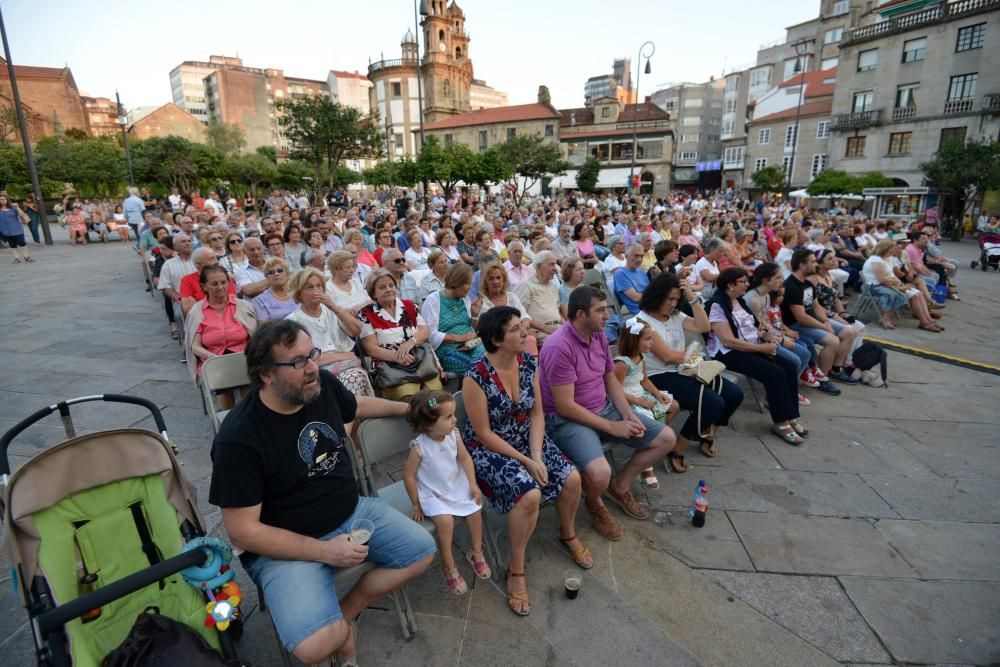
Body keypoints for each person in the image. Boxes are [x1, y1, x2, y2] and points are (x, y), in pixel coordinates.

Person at [209, 320, 435, 665]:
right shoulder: (239, 438)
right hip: (286, 545)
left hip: (352, 511)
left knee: (421, 551)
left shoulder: (320, 385)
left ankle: (345, 614)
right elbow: (243, 531)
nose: (314, 366)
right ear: (266, 374)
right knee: (313, 648)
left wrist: (410, 409)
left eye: (312, 354)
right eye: (298, 362)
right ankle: (339, 633)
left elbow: (355, 406)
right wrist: (324, 551)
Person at [463, 306, 589, 617]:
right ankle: (516, 568)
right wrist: (525, 461)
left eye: (523, 327)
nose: (525, 333)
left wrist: (535, 454)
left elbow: (536, 413)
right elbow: (482, 432)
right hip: (489, 447)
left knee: (572, 477)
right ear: (496, 339)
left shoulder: (527, 363)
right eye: (517, 329)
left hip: (525, 437)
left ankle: (568, 532)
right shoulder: (475, 375)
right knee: (528, 493)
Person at [540, 286, 675, 541]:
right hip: (568, 420)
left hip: (603, 407)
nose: (607, 316)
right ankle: (595, 502)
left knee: (665, 439)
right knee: (599, 473)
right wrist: (611, 427)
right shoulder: (559, 346)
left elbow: (609, 378)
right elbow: (565, 406)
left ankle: (620, 485)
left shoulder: (598, 334)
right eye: (600, 310)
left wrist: (627, 414)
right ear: (580, 314)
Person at [637, 273, 743, 459]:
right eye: (669, 299)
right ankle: (679, 446)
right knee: (713, 403)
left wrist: (692, 298)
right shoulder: (641, 321)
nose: (673, 304)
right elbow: (667, 356)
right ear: (657, 295)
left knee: (734, 395)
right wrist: (691, 355)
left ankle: (708, 434)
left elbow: (704, 327)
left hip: (682, 371)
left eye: (677, 299)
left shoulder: (675, 315)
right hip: (657, 377)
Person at [706, 268, 808, 445]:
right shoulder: (716, 305)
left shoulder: (739, 302)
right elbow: (728, 341)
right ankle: (780, 422)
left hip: (751, 347)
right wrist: (761, 348)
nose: (747, 284)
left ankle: (790, 416)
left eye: (747, 281)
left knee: (790, 367)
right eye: (743, 282)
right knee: (774, 373)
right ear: (730, 285)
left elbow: (752, 327)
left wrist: (763, 334)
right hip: (729, 353)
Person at [402, 390, 490, 595]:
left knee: (475, 509)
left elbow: (466, 459)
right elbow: (408, 476)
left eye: (454, 414)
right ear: (429, 425)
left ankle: (476, 552)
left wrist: (473, 484)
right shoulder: (419, 447)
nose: (455, 420)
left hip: (453, 481)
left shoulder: (454, 435)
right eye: (449, 416)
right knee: (445, 522)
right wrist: (416, 503)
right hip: (432, 490)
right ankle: (448, 565)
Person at [286, 267, 374, 397]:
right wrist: (344, 356)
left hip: (349, 368)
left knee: (353, 377)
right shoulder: (292, 322)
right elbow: (307, 360)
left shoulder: (333, 310)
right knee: (351, 380)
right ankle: (351, 415)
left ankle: (348, 415)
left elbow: (356, 330)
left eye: (319, 286)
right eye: (310, 287)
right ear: (299, 293)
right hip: (318, 374)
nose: (316, 290)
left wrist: (334, 307)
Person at [359, 268, 444, 401]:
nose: (388, 289)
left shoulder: (409, 305)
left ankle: (430, 416)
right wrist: (397, 357)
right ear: (373, 292)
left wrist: (410, 343)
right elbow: (371, 349)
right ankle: (422, 418)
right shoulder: (366, 314)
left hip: (420, 361)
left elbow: (424, 331)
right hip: (390, 366)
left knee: (432, 397)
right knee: (411, 399)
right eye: (382, 287)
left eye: (391, 285)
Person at [613, 318, 680, 484]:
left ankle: (650, 444)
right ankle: (645, 464)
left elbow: (644, 380)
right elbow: (615, 390)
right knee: (648, 418)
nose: (652, 343)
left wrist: (658, 394)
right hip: (627, 399)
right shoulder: (622, 364)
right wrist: (639, 401)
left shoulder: (641, 357)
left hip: (640, 392)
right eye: (648, 339)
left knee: (673, 406)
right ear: (635, 340)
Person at [781, 250, 858, 389]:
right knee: (832, 340)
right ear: (802, 265)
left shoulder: (806, 284)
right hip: (794, 326)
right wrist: (823, 326)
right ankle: (822, 376)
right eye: (812, 261)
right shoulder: (792, 286)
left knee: (849, 332)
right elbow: (801, 317)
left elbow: (815, 306)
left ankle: (836, 368)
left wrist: (825, 321)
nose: (816, 264)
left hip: (809, 321)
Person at [184, 264, 258, 408]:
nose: (220, 287)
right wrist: (211, 357)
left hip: (242, 356)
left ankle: (248, 415)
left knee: (246, 377)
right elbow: (194, 345)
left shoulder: (243, 306)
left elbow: (255, 337)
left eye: (223, 282)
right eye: (214, 284)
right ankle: (228, 417)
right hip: (214, 357)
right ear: (204, 286)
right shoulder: (197, 311)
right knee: (222, 379)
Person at [747, 263, 816, 402]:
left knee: (805, 352)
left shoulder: (765, 295)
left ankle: (788, 388)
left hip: (768, 335)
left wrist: (783, 335)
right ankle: (776, 394)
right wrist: (782, 340)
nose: (781, 281)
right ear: (766, 280)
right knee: (795, 359)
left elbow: (766, 322)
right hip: (756, 339)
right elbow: (759, 328)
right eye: (778, 278)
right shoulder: (753, 299)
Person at [861, 239, 942, 332]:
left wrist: (901, 284)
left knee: (919, 294)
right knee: (907, 295)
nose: (894, 249)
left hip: (888, 284)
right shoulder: (875, 260)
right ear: (884, 248)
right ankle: (922, 322)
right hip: (874, 286)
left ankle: (928, 321)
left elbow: (892, 276)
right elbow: (882, 279)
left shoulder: (887, 258)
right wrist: (900, 284)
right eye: (892, 248)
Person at [420, 262, 485, 375]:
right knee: (472, 366)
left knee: (488, 356)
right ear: (457, 281)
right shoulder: (433, 300)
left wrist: (474, 314)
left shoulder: (465, 299)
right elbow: (430, 335)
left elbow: (471, 328)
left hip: (471, 343)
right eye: (468, 283)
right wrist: (460, 338)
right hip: (447, 348)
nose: (470, 287)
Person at [479, 261, 537, 355]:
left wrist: (523, 329)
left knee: (530, 339)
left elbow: (525, 317)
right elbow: (494, 328)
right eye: (491, 279)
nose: (496, 281)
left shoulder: (511, 296)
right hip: (498, 340)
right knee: (529, 338)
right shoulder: (482, 301)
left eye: (498, 278)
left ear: (504, 279)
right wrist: (521, 332)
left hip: (516, 334)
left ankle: (530, 367)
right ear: (485, 282)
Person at [516, 251, 562, 344]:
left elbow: (558, 313)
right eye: (551, 264)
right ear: (539, 266)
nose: (555, 268)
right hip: (541, 332)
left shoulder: (553, 286)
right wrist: (545, 328)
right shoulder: (527, 286)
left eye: (555, 264)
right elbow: (521, 314)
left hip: (557, 329)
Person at [180, 247, 237, 315]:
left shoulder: (223, 277)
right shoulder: (187, 280)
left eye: (216, 258)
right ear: (198, 265)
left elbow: (233, 303)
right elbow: (188, 308)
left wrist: (198, 305)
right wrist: (219, 304)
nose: (217, 261)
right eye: (212, 259)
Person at [613, 244, 649, 315]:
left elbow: (650, 290)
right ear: (626, 256)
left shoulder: (640, 270)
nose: (639, 259)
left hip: (652, 307)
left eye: (642, 256)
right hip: (642, 313)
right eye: (636, 255)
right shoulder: (620, 274)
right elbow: (637, 298)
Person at [0, 194, 32, 263]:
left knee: (22, 243)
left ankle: (26, 256)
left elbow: (22, 215)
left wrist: (17, 207)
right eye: (1, 199)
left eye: (4, 199)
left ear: (7, 200)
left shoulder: (13, 208)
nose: (3, 200)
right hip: (5, 231)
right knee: (12, 245)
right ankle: (16, 258)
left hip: (17, 229)